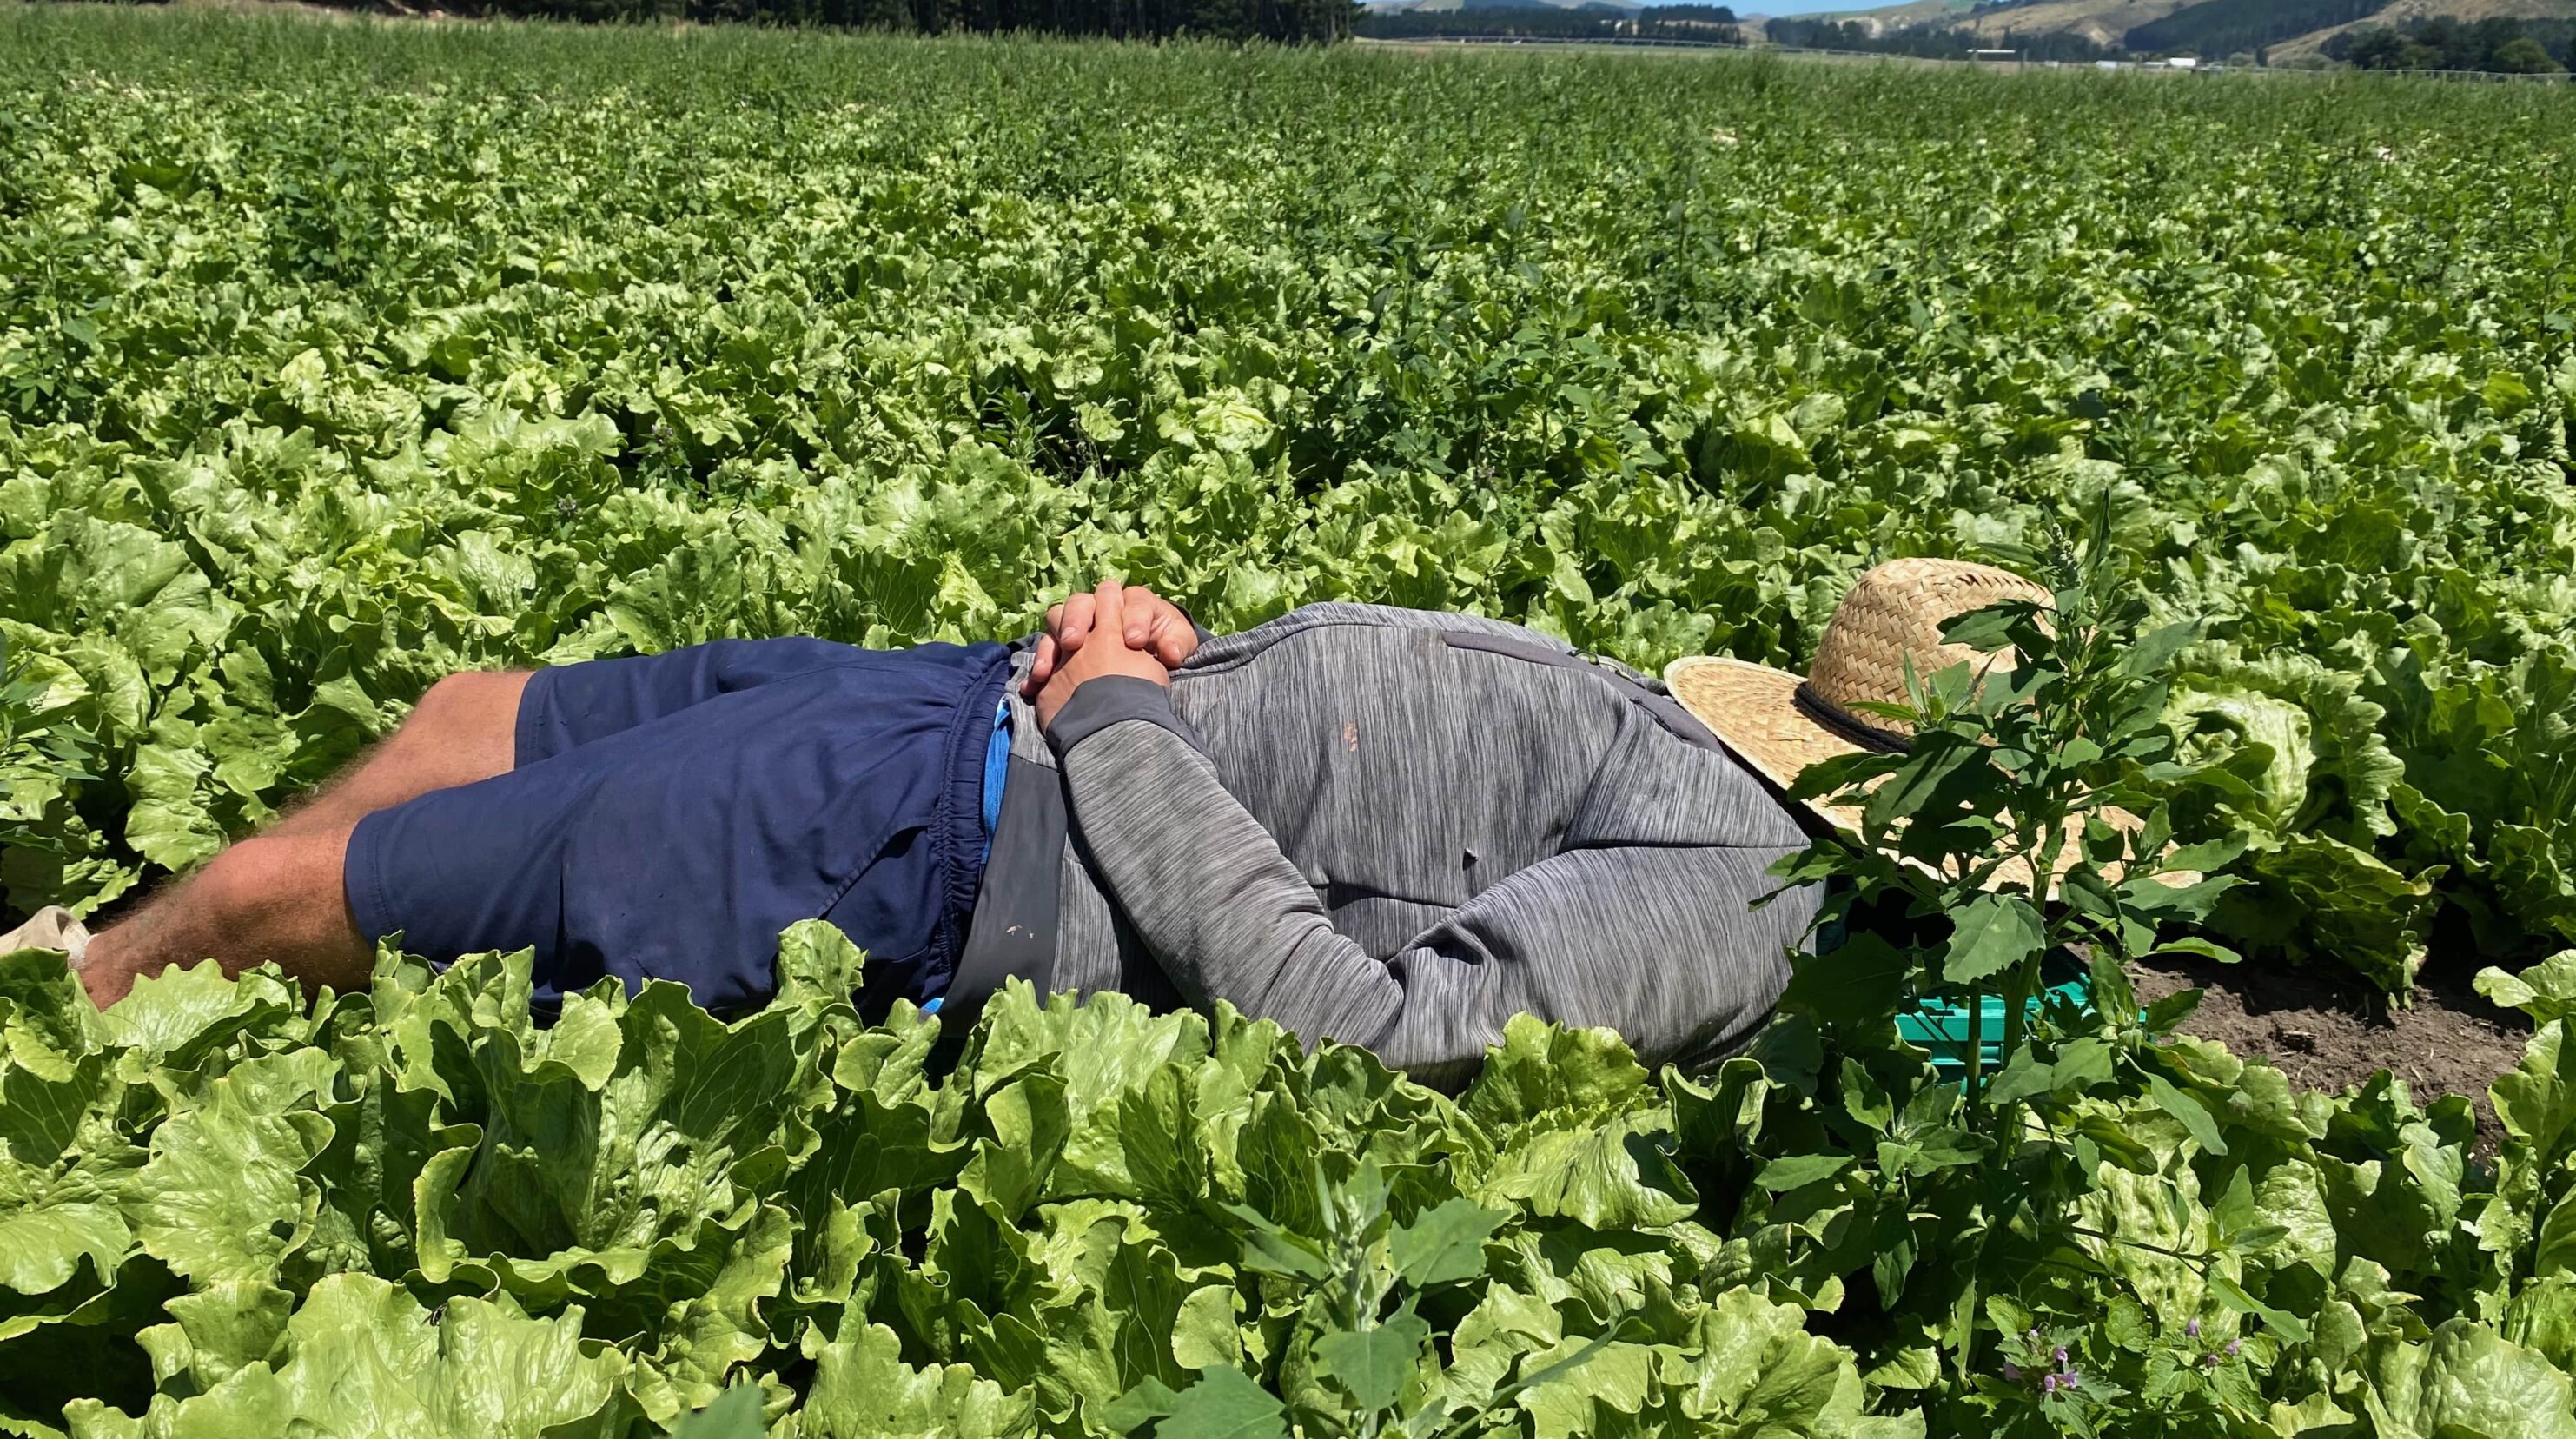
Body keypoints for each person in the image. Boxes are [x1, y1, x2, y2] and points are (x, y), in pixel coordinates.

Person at [64, 580, 1822, 1085]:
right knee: (464, 712)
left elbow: (1382, 1030)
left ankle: (49, 1030)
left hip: (945, 845)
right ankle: (77, 973)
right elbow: (1378, 769)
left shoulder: (1742, 895)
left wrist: (1118, 713)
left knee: (269, 898)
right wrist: (1150, 649)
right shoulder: (1734, 795)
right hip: (970, 709)